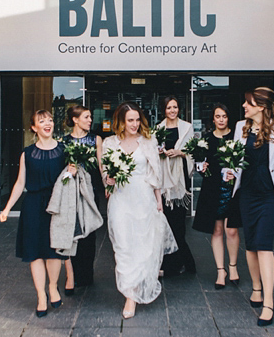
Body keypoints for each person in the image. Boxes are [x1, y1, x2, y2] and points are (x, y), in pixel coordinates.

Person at [224, 87, 274, 326]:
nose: (244, 106)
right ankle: (256, 288)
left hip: (272, 195)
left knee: (264, 244)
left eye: (248, 103)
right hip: (247, 193)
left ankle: (268, 302)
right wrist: (231, 172)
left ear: (261, 106)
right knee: (251, 244)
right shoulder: (241, 127)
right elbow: (237, 160)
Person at [101, 102, 178, 319]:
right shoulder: (109, 143)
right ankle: (130, 293)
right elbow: (106, 178)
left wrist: (158, 200)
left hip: (143, 198)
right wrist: (109, 179)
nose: (134, 124)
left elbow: (155, 173)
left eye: (137, 120)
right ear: (121, 122)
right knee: (124, 247)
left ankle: (133, 293)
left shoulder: (148, 141)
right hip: (121, 200)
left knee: (142, 246)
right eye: (130, 120)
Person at [0, 109, 67, 317]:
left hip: (57, 205)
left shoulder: (65, 150)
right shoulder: (27, 153)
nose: (47, 123)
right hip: (33, 205)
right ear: (34, 127)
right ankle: (40, 295)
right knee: (35, 253)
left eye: (50, 120)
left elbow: (73, 179)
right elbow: (20, 183)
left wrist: (72, 171)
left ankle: (53, 287)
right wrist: (8, 207)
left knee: (54, 250)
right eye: (42, 121)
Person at [191, 103, 241, 289]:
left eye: (224, 116)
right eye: (217, 116)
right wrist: (201, 168)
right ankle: (221, 270)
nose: (221, 120)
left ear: (229, 118)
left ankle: (233, 266)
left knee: (232, 230)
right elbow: (201, 166)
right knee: (217, 230)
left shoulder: (236, 138)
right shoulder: (206, 140)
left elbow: (244, 163)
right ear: (213, 119)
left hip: (232, 189)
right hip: (213, 190)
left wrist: (235, 173)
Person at [60, 105, 105, 292]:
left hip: (91, 189)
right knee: (72, 231)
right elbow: (59, 171)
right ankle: (73, 274)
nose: (90, 120)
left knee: (89, 230)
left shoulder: (96, 139)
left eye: (90, 116)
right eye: (86, 117)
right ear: (75, 119)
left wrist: (107, 184)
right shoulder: (63, 141)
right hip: (71, 191)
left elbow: (101, 164)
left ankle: (87, 273)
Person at [157, 95, 197, 277]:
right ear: (163, 110)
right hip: (164, 183)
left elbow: (194, 152)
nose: (172, 110)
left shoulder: (187, 127)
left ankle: (186, 263)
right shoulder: (158, 129)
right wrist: (160, 152)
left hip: (180, 181)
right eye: (168, 107)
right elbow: (154, 151)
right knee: (166, 224)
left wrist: (180, 152)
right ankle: (172, 263)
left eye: (174, 107)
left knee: (179, 225)